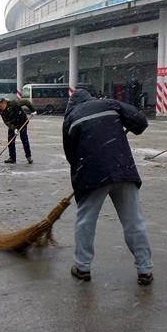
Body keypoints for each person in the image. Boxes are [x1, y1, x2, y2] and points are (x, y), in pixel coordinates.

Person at [63, 89, 153, 286]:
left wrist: (81, 183)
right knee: (134, 222)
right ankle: (145, 269)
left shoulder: (70, 118)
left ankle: (83, 267)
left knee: (85, 221)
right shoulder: (109, 104)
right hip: (123, 169)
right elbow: (140, 123)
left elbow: (71, 156)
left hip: (92, 175)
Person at [0, 98, 36, 164]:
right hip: (13, 124)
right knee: (11, 140)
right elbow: (6, 121)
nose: (0, 108)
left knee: (24, 139)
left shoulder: (14, 103)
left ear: (5, 103)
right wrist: (14, 129)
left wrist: (33, 110)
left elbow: (26, 102)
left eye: (1, 106)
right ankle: (12, 158)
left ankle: (28, 157)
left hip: (22, 122)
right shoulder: (0, 110)